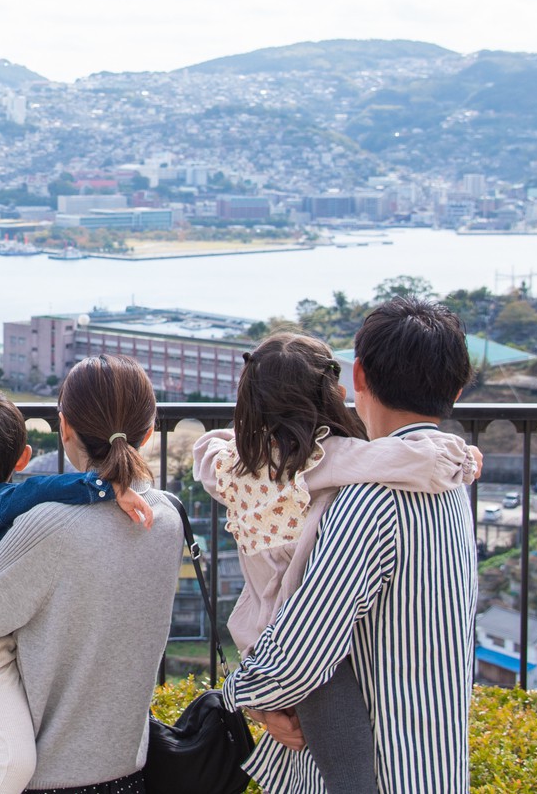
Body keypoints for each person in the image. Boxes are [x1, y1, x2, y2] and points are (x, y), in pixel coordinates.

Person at [192, 331, 480, 794]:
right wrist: (458, 458)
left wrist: (238, 697)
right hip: (433, 761)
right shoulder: (440, 489)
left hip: (269, 632)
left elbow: (299, 658)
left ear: (360, 373)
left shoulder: (361, 500)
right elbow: (390, 458)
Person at [0, 356, 183, 794]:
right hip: (125, 769)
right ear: (149, 431)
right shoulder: (167, 518)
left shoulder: (49, 527)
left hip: (37, 779)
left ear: (64, 428)